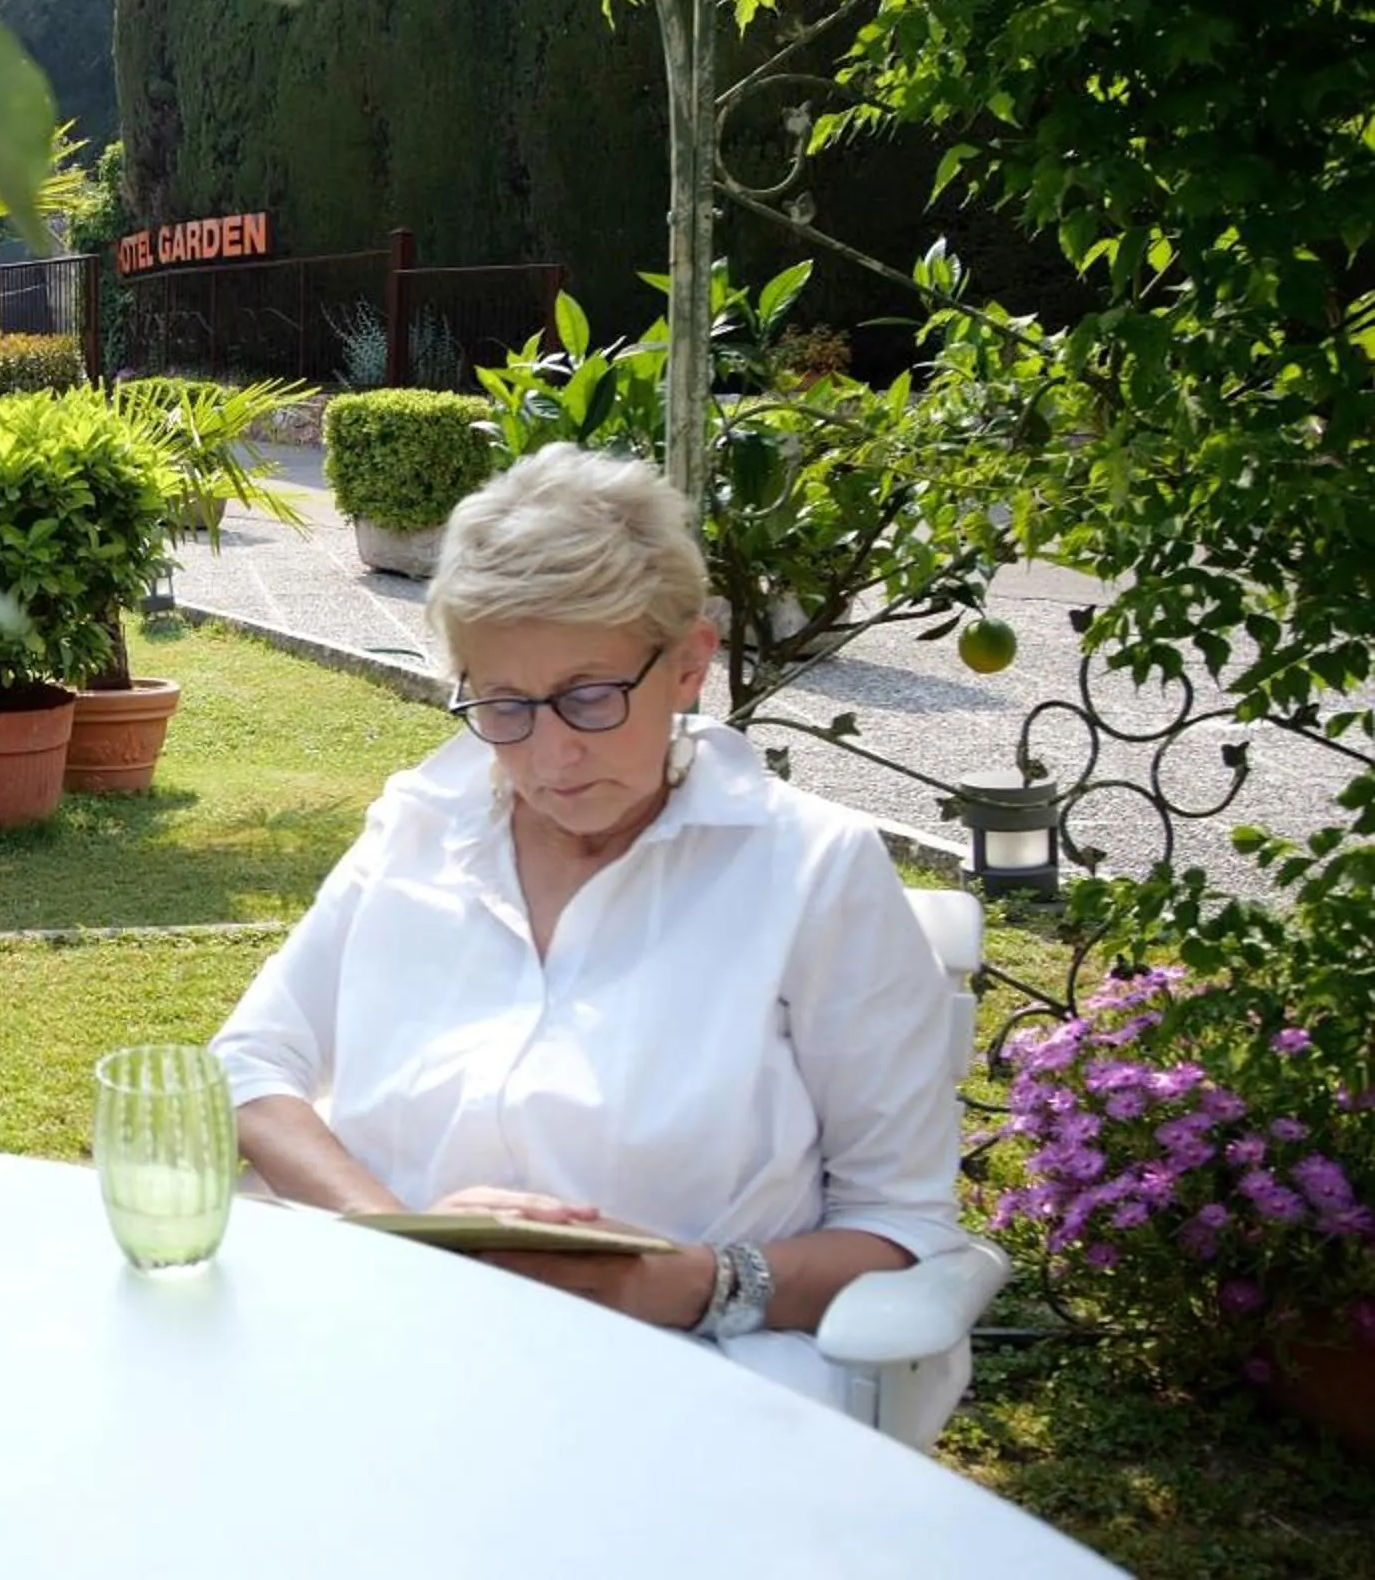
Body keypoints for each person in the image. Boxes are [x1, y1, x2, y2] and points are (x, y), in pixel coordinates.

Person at [207, 444, 968, 1434]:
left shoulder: (809, 872)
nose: (551, 755)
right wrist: (387, 1230)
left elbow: (902, 1229)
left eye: (589, 696)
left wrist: (692, 1284)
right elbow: (249, 1065)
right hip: (391, 1354)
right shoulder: (422, 826)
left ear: (689, 663)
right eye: (504, 705)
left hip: (686, 1391)